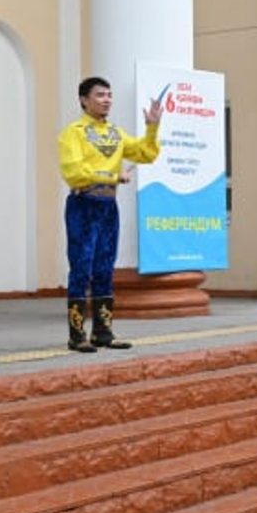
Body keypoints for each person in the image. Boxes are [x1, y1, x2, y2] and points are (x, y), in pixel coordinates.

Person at [58, 76, 163, 352]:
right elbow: (74, 172)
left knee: (105, 267)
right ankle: (76, 334)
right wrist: (112, 175)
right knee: (81, 267)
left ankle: (102, 332)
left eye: (109, 95)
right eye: (100, 95)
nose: (107, 100)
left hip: (107, 206)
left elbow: (145, 153)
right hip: (83, 204)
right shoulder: (74, 132)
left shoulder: (115, 133)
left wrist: (152, 127)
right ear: (84, 100)